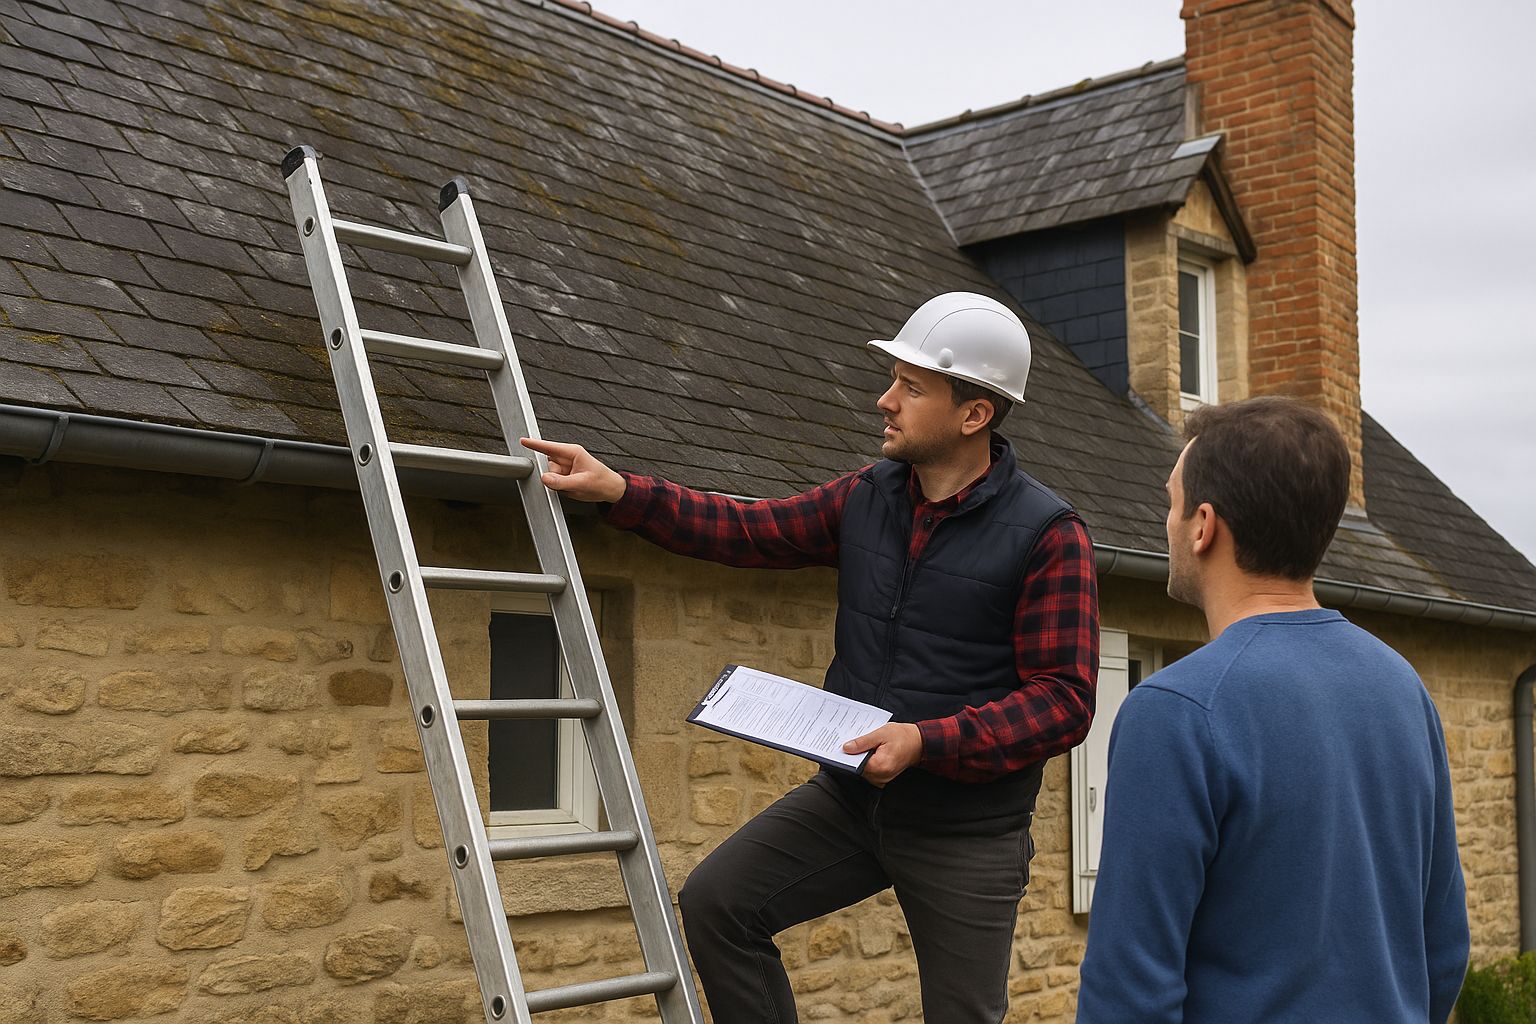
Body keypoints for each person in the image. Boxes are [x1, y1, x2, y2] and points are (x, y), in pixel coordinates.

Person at [523, 292, 1099, 1024]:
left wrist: (926, 741)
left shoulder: (1048, 534)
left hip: (967, 833)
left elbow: (1063, 701)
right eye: (893, 379)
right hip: (851, 800)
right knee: (717, 904)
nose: (884, 399)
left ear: (974, 413)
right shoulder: (868, 495)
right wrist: (621, 490)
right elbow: (748, 529)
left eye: (911, 387)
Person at [1076, 397, 1470, 1023]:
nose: (1168, 521)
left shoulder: (1175, 709)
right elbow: (1443, 947)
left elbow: (1129, 989)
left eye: (1172, 502)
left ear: (1204, 525)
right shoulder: (1402, 688)